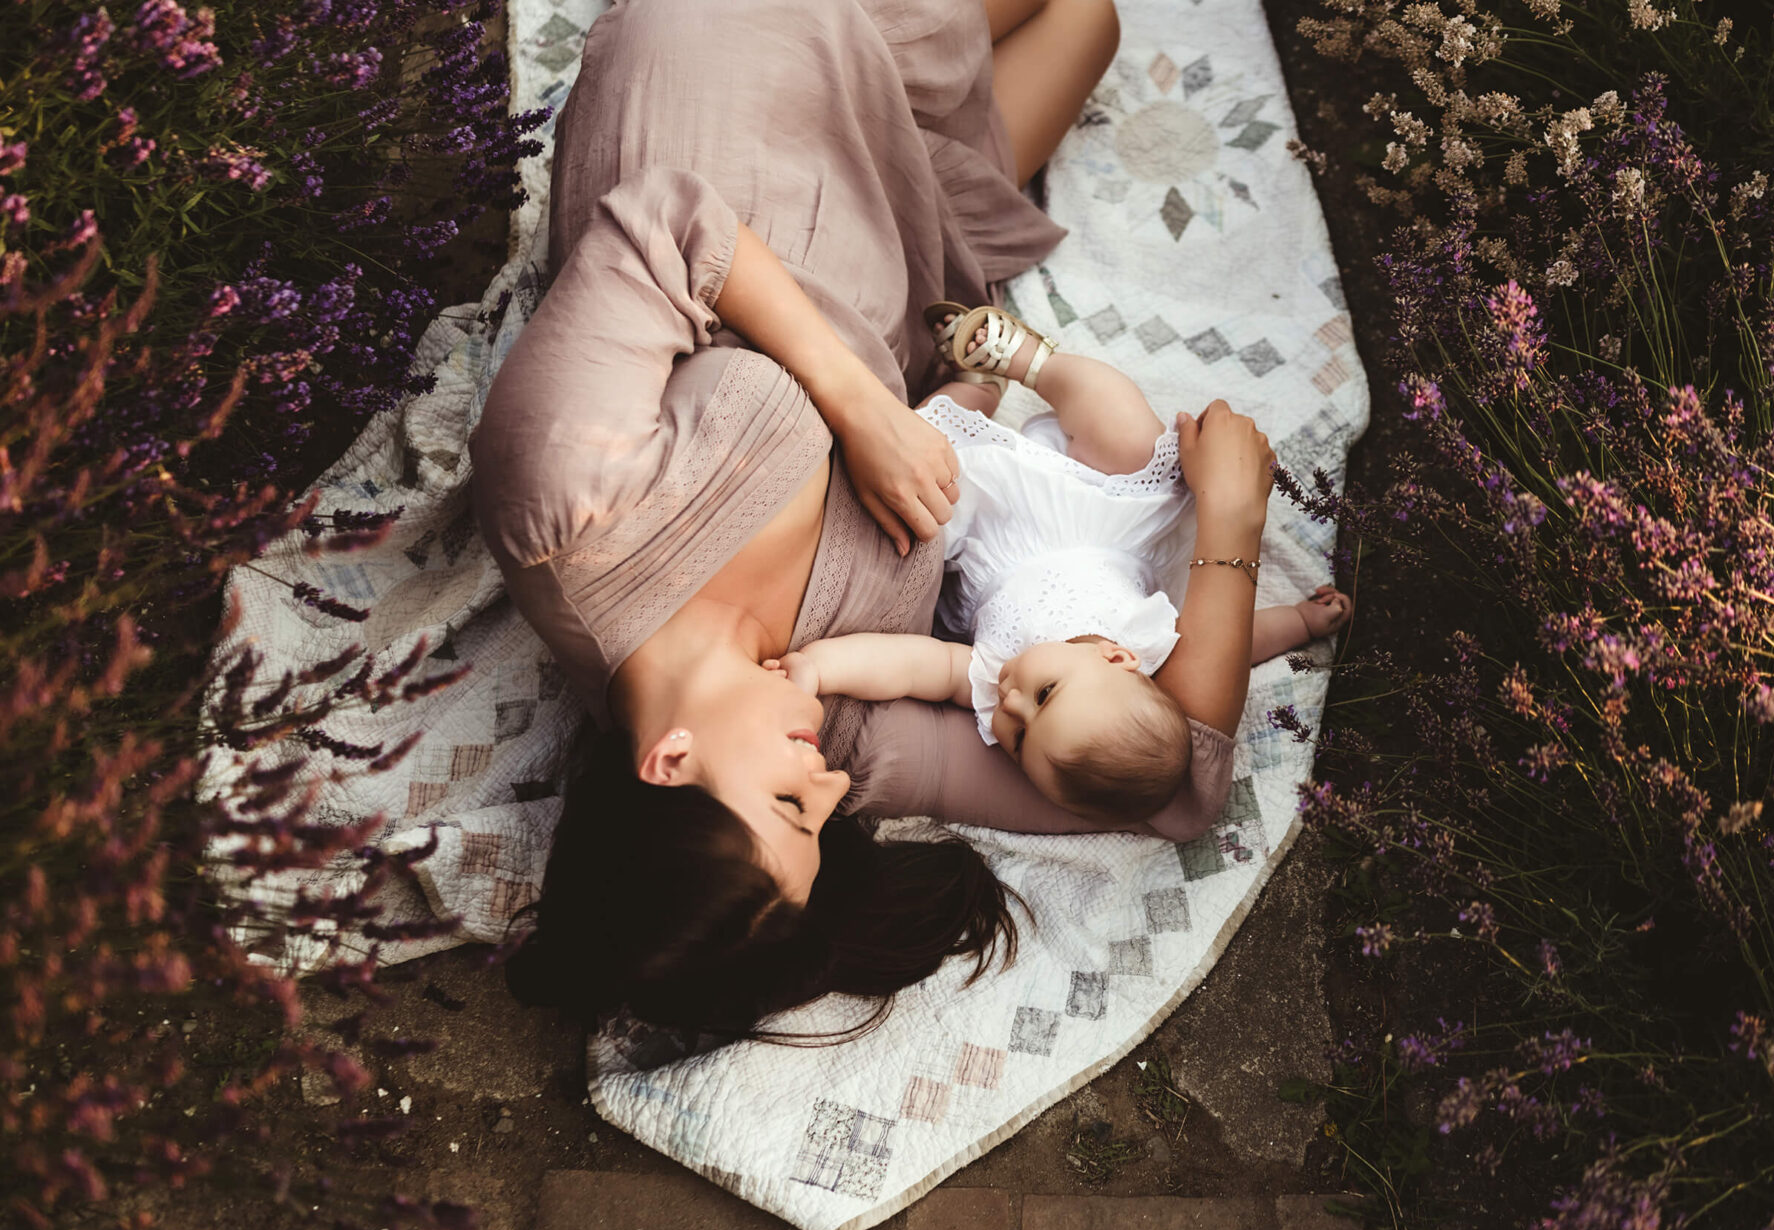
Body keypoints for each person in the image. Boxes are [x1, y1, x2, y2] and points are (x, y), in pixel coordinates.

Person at [468, 0, 1277, 1035]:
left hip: (743, 78)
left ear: (668, 763)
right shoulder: (838, 714)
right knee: (1092, 20)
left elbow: (670, 220)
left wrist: (862, 414)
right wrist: (1232, 529)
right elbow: (1175, 789)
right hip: (903, 254)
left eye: (790, 803)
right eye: (823, 815)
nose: (833, 779)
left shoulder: (565, 514)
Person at [770, 309, 1351, 824]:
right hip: (1101, 526)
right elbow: (1236, 645)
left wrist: (822, 670)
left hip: (990, 543)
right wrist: (1300, 622)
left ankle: (973, 387)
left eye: (1018, 740)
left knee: (931, 471)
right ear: (1118, 658)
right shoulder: (1152, 646)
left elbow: (911, 665)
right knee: (1128, 430)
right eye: (1045, 693)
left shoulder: (992, 675)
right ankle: (1027, 359)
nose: (1013, 704)